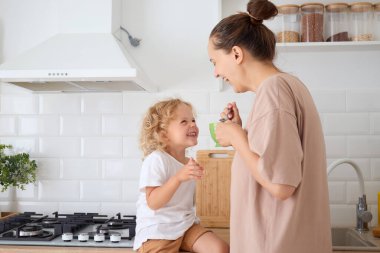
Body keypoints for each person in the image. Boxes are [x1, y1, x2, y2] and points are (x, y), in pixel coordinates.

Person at [207, 0, 332, 253]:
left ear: (236, 54)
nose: (216, 73)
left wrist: (237, 138)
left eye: (214, 62)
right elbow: (274, 163)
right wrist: (243, 133)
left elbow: (280, 186)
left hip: (274, 244)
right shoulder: (288, 85)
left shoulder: (273, 91)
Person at [133, 98, 229, 253]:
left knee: (220, 249)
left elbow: (184, 201)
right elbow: (153, 202)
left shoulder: (188, 162)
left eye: (193, 120)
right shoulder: (156, 159)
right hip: (158, 231)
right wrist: (178, 178)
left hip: (185, 225)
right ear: (164, 135)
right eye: (184, 122)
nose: (192, 124)